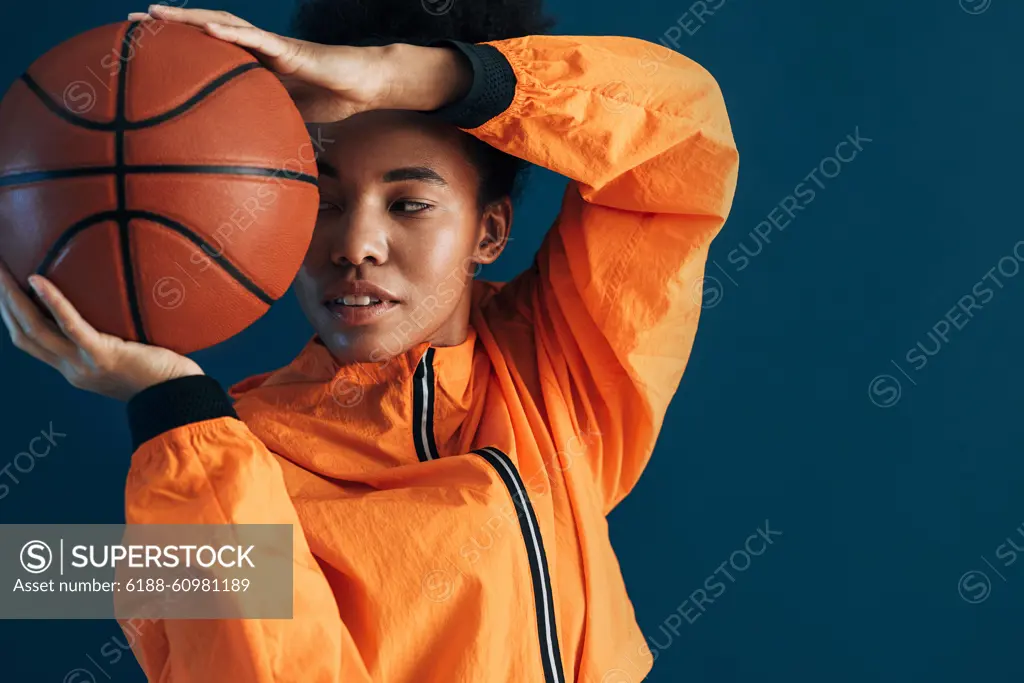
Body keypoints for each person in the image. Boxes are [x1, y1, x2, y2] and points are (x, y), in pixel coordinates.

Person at [0, 0, 738, 680]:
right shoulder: (229, 453)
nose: (356, 245)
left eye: (410, 203)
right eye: (320, 201)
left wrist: (400, 74)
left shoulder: (556, 375)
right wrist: (172, 407)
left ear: (490, 231)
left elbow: (680, 136)